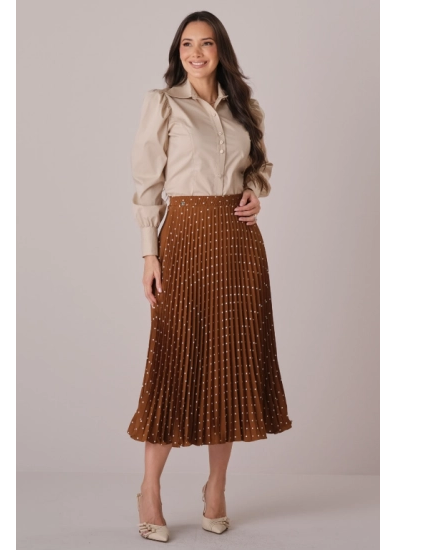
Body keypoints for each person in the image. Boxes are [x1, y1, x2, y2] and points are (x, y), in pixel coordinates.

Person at [127, 10, 292, 542]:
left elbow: (259, 165)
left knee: (230, 362)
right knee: (174, 360)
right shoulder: (163, 103)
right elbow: (146, 183)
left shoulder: (245, 106)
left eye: (206, 43)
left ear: (221, 50)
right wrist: (149, 255)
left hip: (238, 244)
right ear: (178, 52)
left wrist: (254, 192)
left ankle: (216, 488)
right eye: (186, 44)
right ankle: (149, 489)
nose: (195, 53)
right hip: (184, 237)